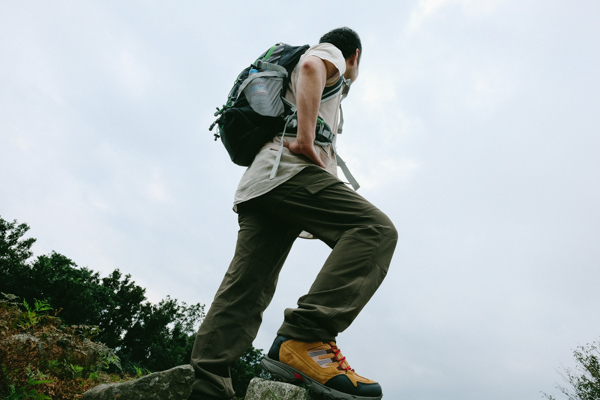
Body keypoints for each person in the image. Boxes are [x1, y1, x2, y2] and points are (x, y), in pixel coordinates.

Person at [190, 27, 397, 400]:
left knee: (246, 288)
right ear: (355, 57)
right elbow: (312, 67)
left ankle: (207, 383)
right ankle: (305, 337)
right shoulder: (331, 53)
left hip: (262, 184)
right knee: (374, 230)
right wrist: (305, 138)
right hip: (288, 174)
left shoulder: (310, 77)